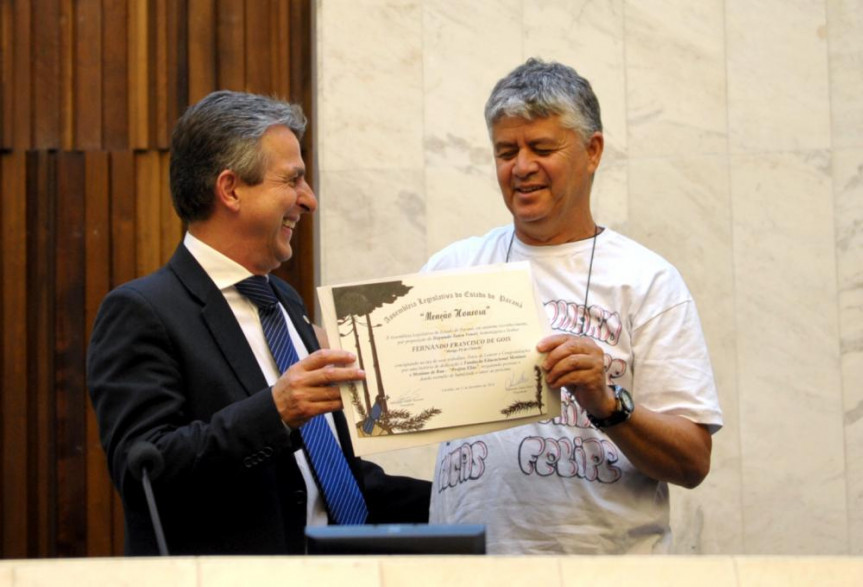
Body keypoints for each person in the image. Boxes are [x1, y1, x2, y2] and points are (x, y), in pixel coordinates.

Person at [87, 90, 430, 556]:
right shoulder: (142, 310)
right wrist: (276, 411)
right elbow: (143, 469)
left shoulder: (283, 303)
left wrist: (467, 498)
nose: (308, 200)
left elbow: (328, 477)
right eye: (293, 180)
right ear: (230, 189)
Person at [423, 58, 723, 554]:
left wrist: (608, 405)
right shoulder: (450, 268)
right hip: (472, 571)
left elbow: (693, 460)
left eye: (541, 148)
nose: (521, 167)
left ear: (593, 150)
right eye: (505, 151)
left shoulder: (648, 280)